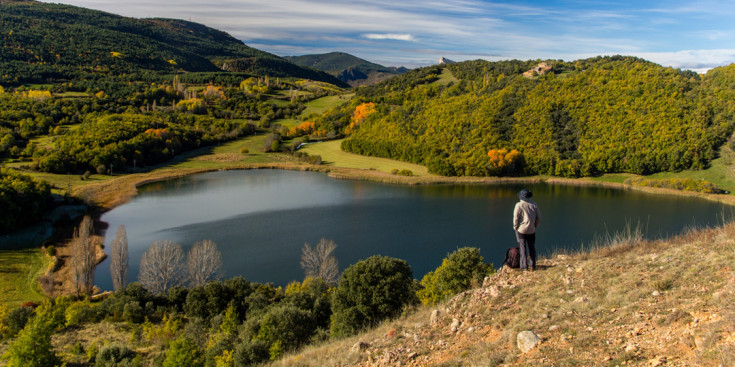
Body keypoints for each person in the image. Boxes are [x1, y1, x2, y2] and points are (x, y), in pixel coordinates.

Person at [513, 189, 541, 270]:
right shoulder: (534, 204)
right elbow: (539, 218)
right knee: (532, 247)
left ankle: (524, 266)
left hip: (521, 230)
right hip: (532, 229)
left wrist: (515, 227)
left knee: (522, 248)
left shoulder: (518, 205)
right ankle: (533, 265)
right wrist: (535, 225)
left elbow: (516, 218)